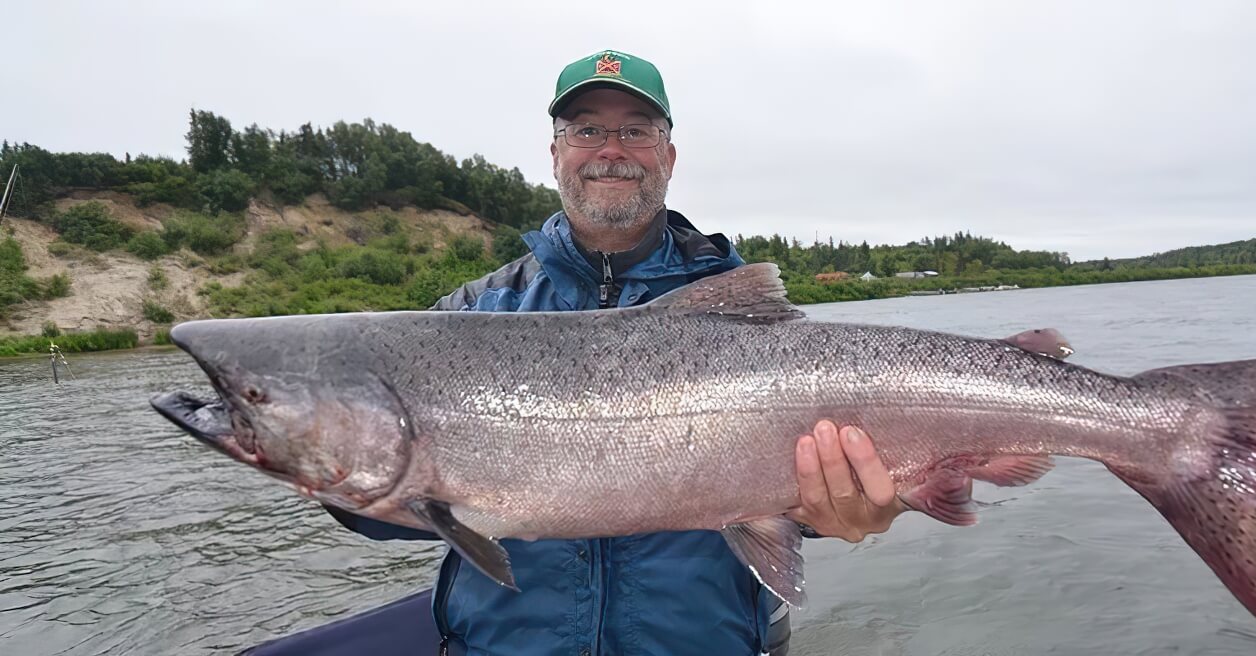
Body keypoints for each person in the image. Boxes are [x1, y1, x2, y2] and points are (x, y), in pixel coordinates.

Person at [327, 50, 905, 656]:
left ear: (669, 156)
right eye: (587, 129)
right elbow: (381, 514)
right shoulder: (467, 317)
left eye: (636, 130)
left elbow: (798, 497)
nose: (611, 149)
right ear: (555, 153)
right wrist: (319, 458)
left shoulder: (748, 321)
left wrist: (838, 513)